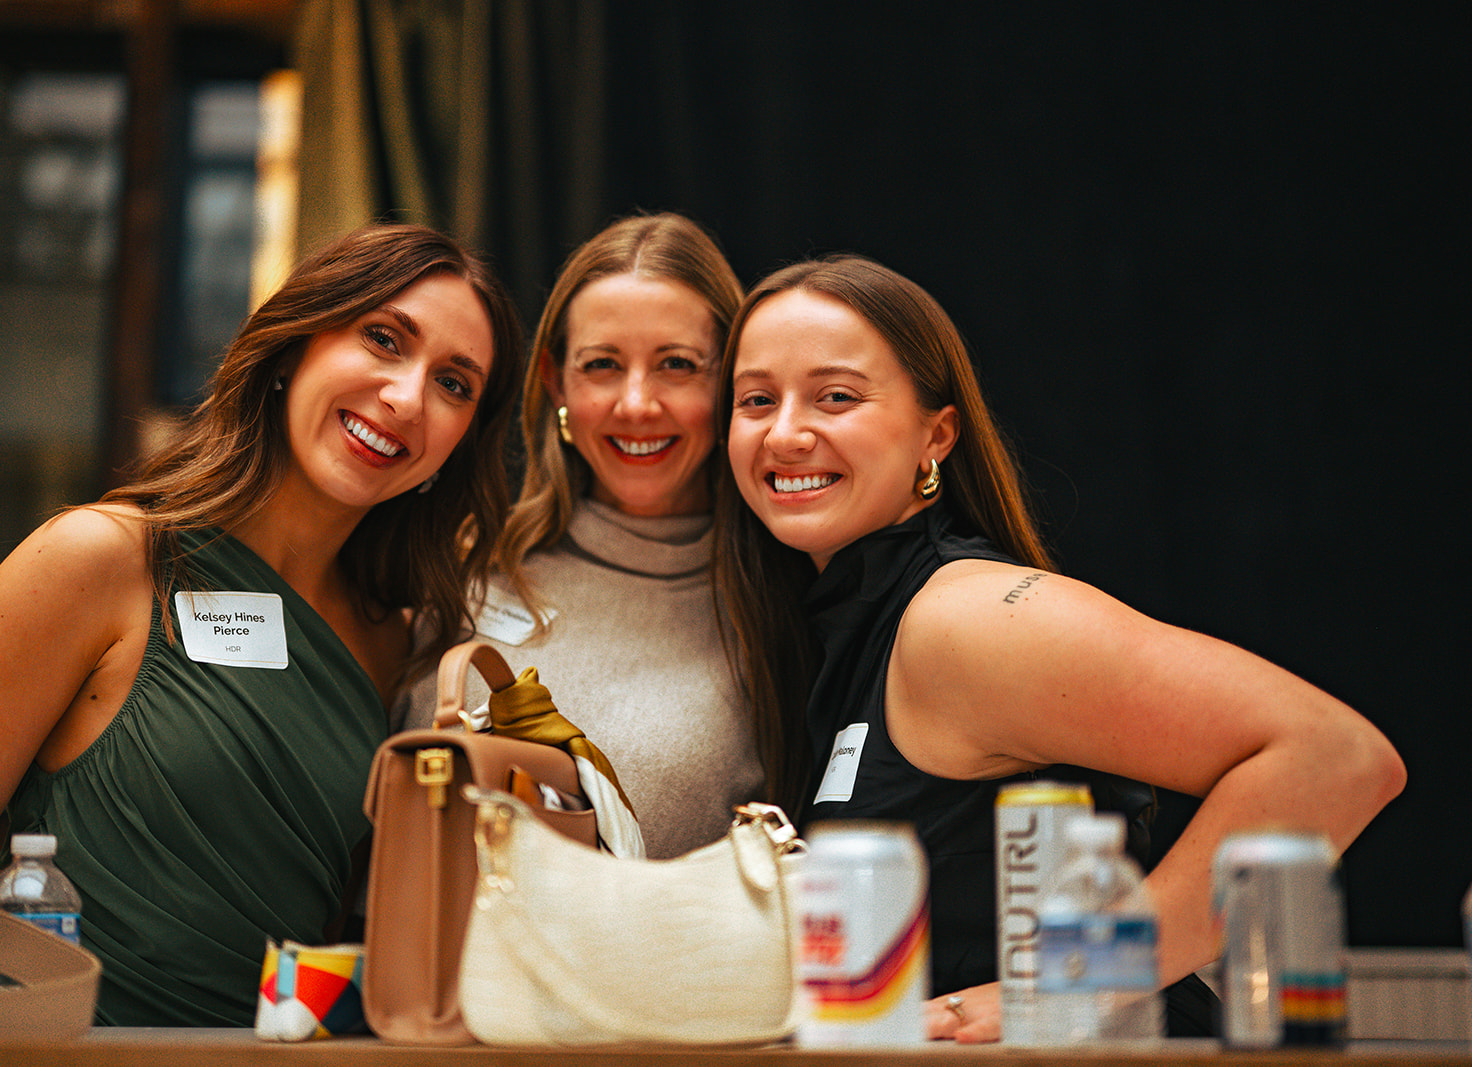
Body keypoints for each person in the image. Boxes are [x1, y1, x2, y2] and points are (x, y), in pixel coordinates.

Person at [715, 254, 1406, 1042]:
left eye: (836, 396)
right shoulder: (843, 629)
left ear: (935, 435)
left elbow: (1337, 756)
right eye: (756, 400)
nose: (786, 431)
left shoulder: (966, 618)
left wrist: (1071, 977)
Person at [0, 223, 524, 1026]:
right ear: (294, 348)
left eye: (454, 384)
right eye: (383, 339)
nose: (406, 396)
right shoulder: (100, 560)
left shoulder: (397, 644)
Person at [402, 212, 763, 858]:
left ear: (731, 380)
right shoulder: (465, 565)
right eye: (603, 365)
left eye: (677, 364)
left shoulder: (776, 609)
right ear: (554, 379)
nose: (636, 403)